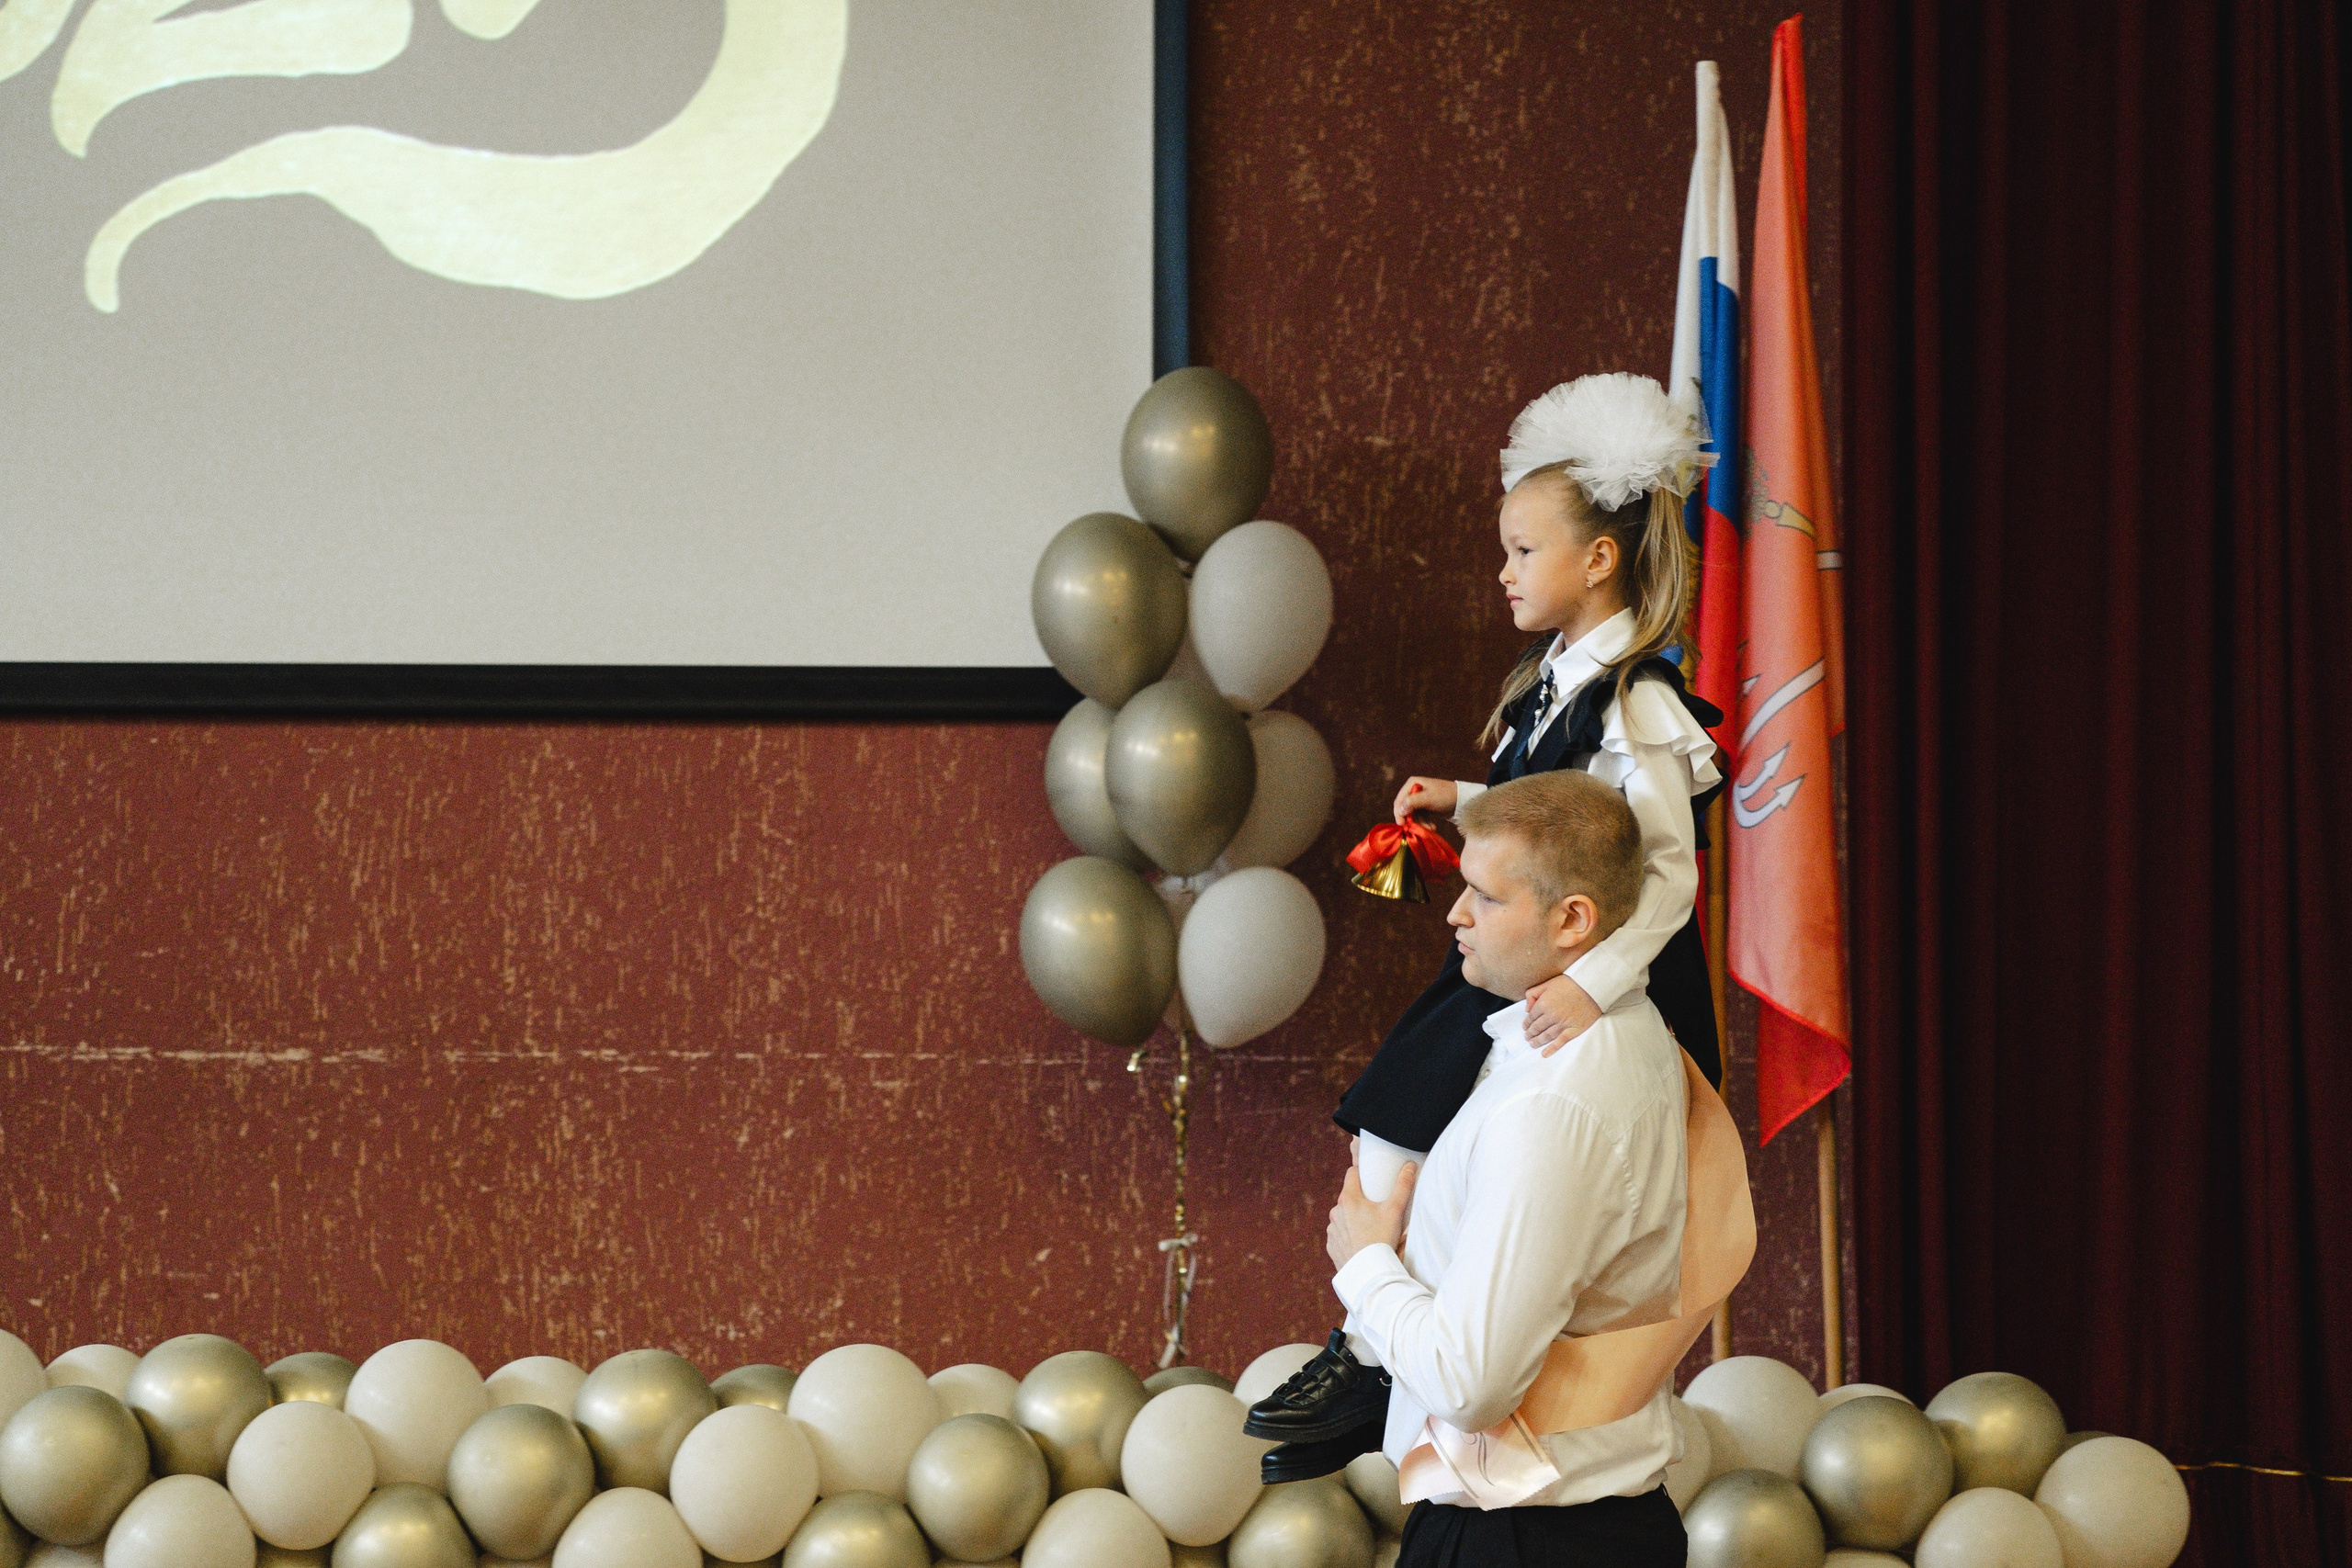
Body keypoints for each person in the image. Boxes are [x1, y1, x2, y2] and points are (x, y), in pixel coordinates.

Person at [1248, 372, 1725, 1479]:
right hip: (1531, 958)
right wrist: (1462, 802)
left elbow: (1665, 878)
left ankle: (1374, 1349)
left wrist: (1590, 986)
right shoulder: (1547, 687)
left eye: (1522, 551)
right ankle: (1374, 1345)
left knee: (1411, 1110)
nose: (1503, 572)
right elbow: (1555, 814)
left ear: (1598, 560)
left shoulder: (1641, 706)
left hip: (1591, 970)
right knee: (1392, 1122)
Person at [1327, 769, 1696, 1566]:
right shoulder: (1623, 1027)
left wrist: (1363, 1264)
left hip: (1525, 1538)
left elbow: (1470, 1382)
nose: (1456, 914)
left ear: (1573, 920)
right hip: (1558, 1526)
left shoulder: (1553, 1103)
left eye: (1487, 898)